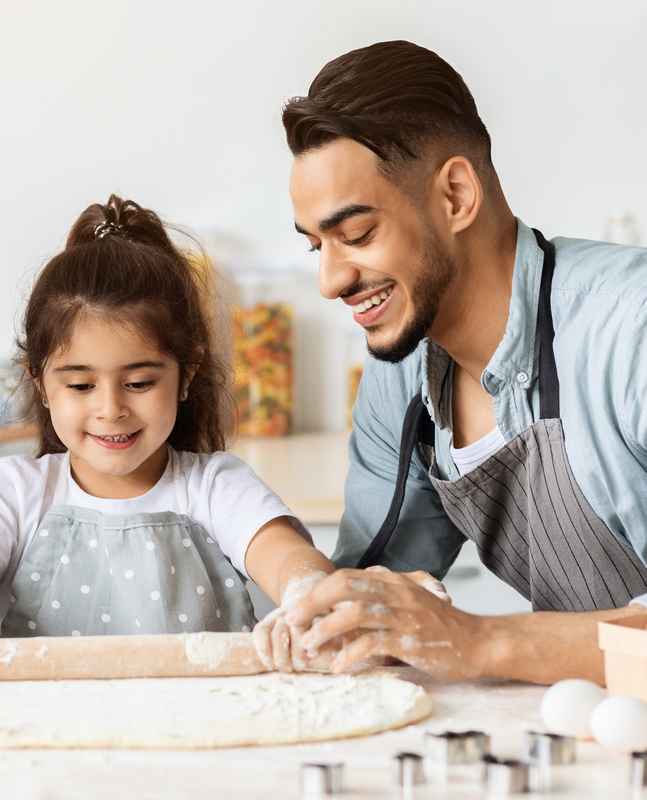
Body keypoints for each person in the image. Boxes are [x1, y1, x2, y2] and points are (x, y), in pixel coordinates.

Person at [280, 40, 647, 685]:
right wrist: (314, 616)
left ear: (454, 195)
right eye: (318, 246)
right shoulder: (401, 376)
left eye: (357, 235)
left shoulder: (630, 328)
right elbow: (375, 592)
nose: (330, 280)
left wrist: (481, 642)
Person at [0, 194, 333, 670]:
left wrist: (310, 593)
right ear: (41, 384)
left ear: (187, 374)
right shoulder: (18, 494)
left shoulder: (215, 488)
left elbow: (287, 560)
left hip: (207, 731)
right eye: (80, 384)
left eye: (139, 383)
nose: (111, 409)